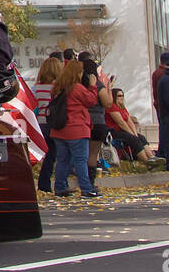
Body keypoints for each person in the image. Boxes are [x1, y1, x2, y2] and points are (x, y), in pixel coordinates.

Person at [51, 59, 99, 197]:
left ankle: (60, 187)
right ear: (77, 73)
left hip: (59, 130)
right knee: (80, 160)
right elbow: (90, 101)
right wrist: (93, 86)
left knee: (62, 160)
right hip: (77, 129)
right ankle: (86, 188)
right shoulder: (77, 88)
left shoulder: (58, 88)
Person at [79, 55, 114, 188]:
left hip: (81, 121)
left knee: (81, 154)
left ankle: (82, 178)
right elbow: (108, 103)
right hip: (97, 122)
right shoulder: (98, 85)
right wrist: (109, 88)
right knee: (93, 154)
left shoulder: (77, 85)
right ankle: (90, 181)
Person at [32, 55, 64, 192]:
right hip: (53, 123)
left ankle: (43, 184)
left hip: (39, 123)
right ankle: (46, 184)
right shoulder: (57, 88)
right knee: (53, 155)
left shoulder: (36, 88)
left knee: (43, 154)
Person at [106, 87, 155, 164]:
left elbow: (130, 122)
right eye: (119, 96)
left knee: (141, 137)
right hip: (115, 132)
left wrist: (135, 133)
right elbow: (121, 123)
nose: (121, 97)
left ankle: (152, 158)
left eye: (122, 95)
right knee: (134, 139)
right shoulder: (111, 107)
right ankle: (147, 162)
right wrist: (132, 134)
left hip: (124, 131)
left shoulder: (122, 108)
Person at [150, 51, 169, 120]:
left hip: (159, 104)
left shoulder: (156, 72)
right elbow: (167, 93)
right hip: (165, 108)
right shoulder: (164, 74)